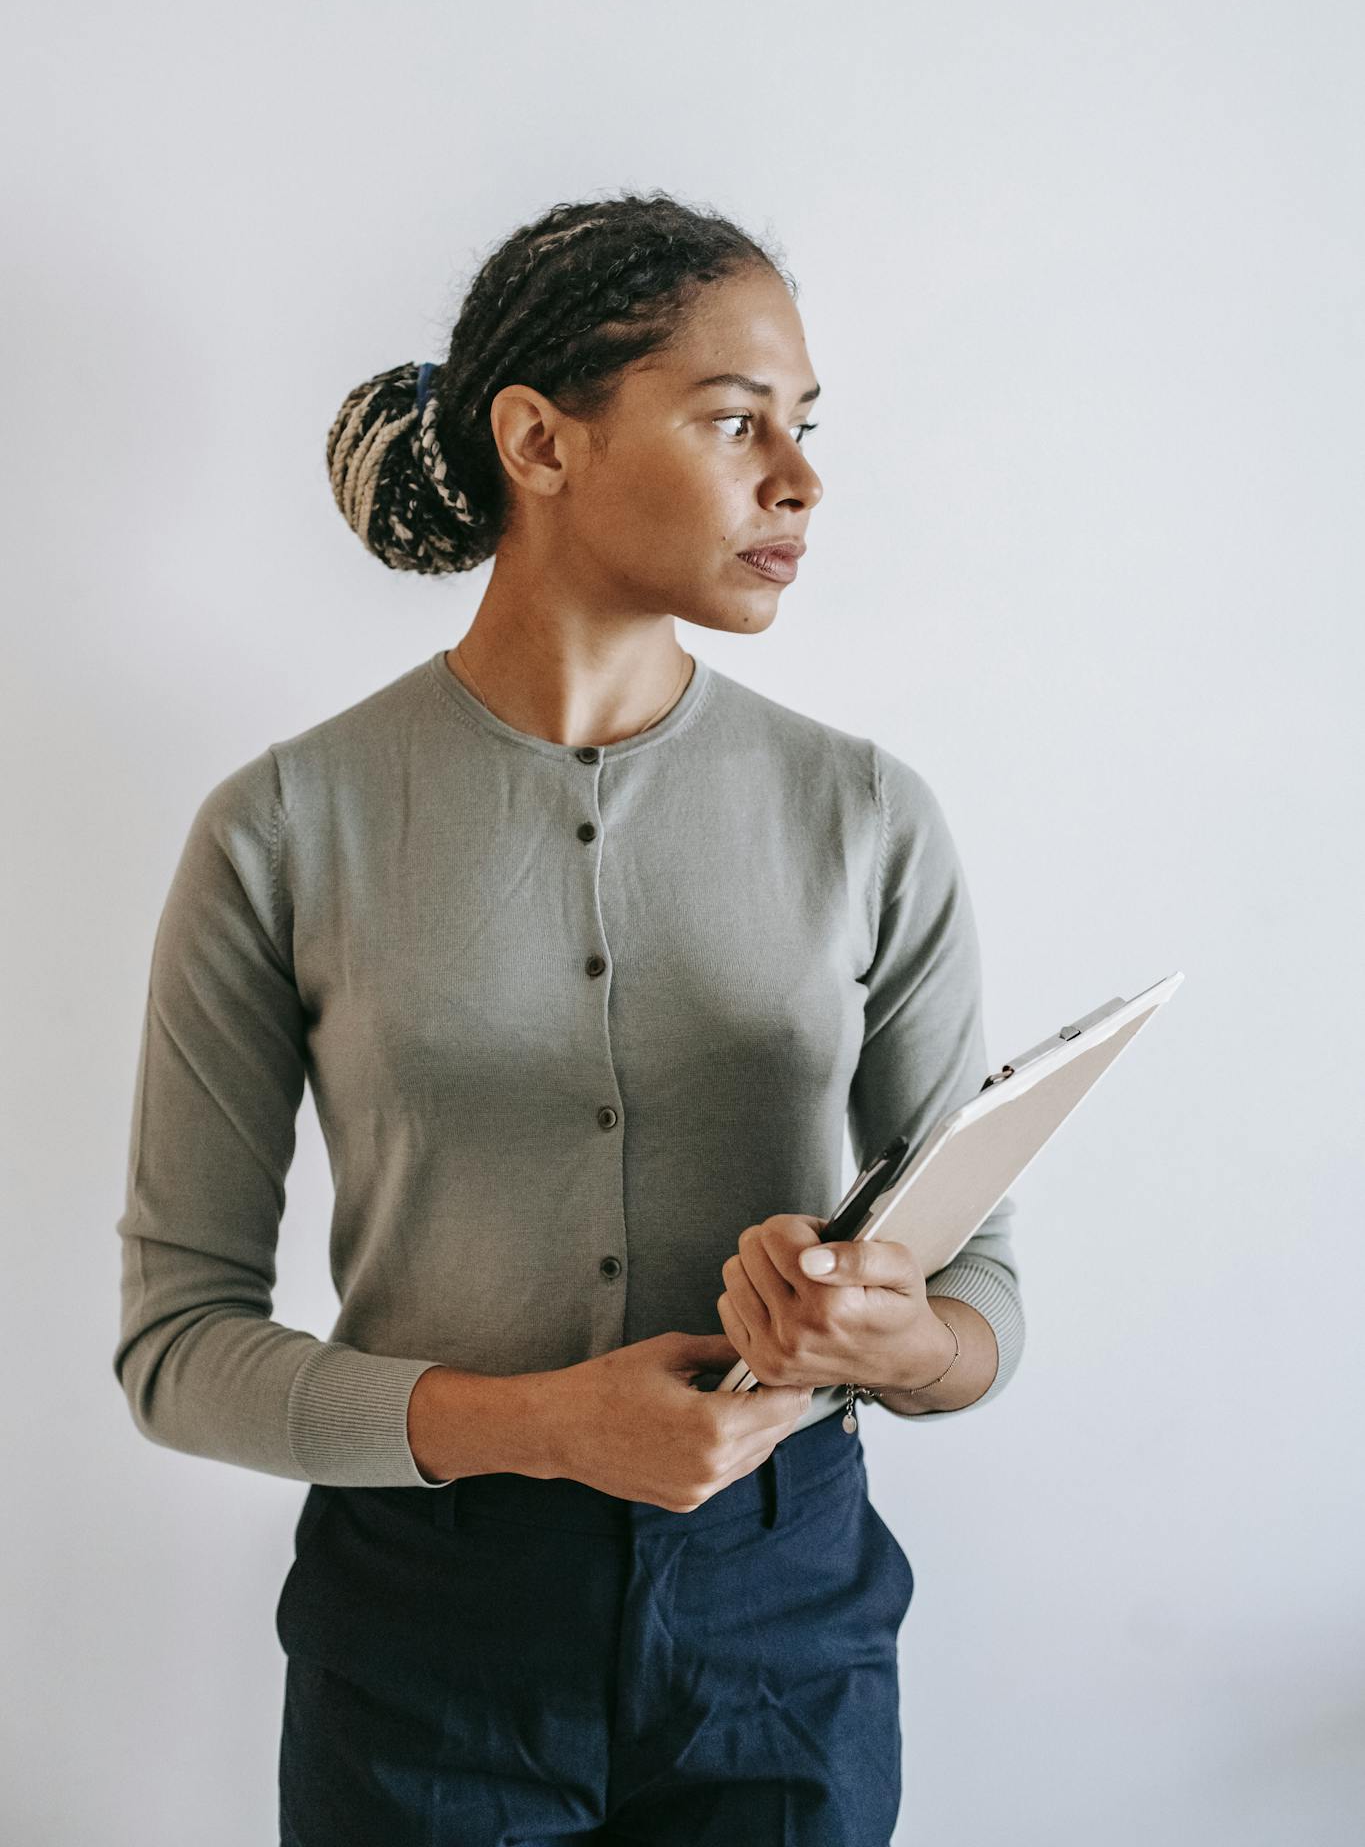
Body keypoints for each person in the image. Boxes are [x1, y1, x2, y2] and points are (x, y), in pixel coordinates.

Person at [114, 188, 1026, 1846]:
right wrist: (536, 1424)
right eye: (735, 419)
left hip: (784, 1629)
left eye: (806, 426)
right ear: (541, 442)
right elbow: (175, 1354)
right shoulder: (281, 826)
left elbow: (981, 1312)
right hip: (422, 1635)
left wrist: (897, 1342)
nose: (800, 479)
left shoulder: (868, 816)